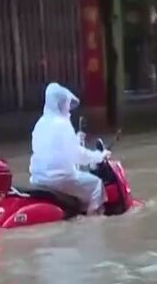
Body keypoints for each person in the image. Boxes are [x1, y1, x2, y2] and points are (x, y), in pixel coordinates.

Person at [29, 83, 109, 215]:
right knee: (96, 185)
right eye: (66, 104)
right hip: (59, 179)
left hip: (38, 178)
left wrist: (76, 139)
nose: (69, 109)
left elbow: (54, 149)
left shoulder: (41, 123)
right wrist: (99, 156)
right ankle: (92, 223)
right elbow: (77, 156)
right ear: (61, 104)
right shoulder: (62, 124)